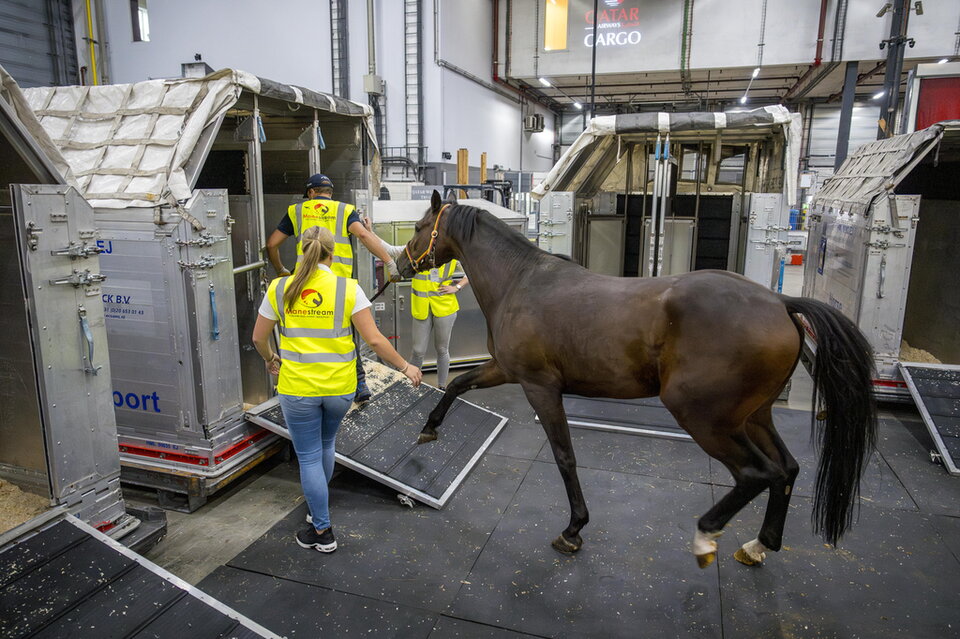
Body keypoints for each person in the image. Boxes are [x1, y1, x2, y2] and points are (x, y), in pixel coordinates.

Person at [253, 226, 422, 553]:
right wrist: (405, 366)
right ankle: (319, 509)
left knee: (308, 456)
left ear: (301, 252)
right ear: (332, 254)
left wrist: (271, 358)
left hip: (298, 389)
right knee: (326, 444)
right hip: (339, 388)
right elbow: (374, 339)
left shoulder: (279, 287)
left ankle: (322, 529)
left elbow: (259, 338)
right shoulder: (348, 288)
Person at [265, 174, 399, 403]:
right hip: (339, 286)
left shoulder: (296, 211)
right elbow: (364, 235)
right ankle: (359, 385)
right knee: (346, 335)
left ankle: (304, 384)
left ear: (310, 193)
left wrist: (281, 270)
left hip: (304, 283)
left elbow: (271, 244)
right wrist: (389, 262)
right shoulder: (345, 210)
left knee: (305, 335)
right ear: (330, 192)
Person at [378, 235, 468, 390]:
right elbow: (390, 250)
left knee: (442, 349)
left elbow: (471, 271)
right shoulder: (415, 249)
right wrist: (369, 232)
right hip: (421, 307)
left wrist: (457, 287)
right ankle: (412, 386)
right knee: (418, 351)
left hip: (445, 306)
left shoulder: (452, 251)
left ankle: (442, 387)